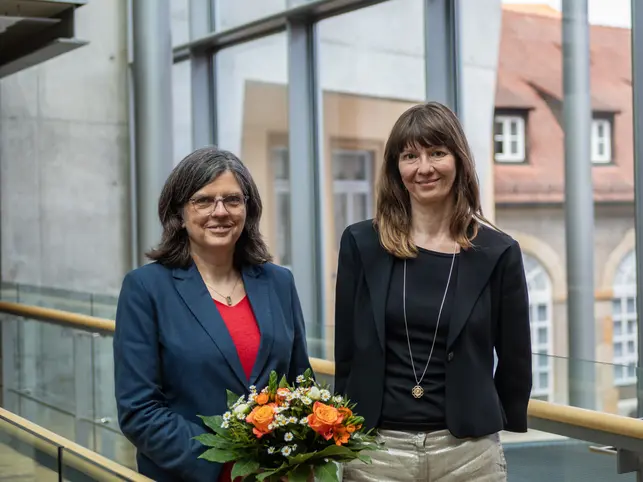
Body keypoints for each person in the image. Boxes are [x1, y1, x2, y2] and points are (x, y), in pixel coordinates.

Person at [334, 102, 532, 481]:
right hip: (377, 451)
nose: (424, 168)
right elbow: (348, 351)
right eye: (410, 156)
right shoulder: (361, 244)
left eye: (437, 153)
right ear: (396, 168)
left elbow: (515, 357)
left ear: (458, 161)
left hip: (468, 454)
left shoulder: (498, 252)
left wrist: (499, 418)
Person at [114, 147, 311, 482]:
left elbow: (299, 384)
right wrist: (230, 463)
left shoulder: (279, 282)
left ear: (248, 209)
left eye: (232, 200)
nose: (220, 212)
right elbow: (139, 410)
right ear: (179, 212)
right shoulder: (146, 288)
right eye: (203, 200)